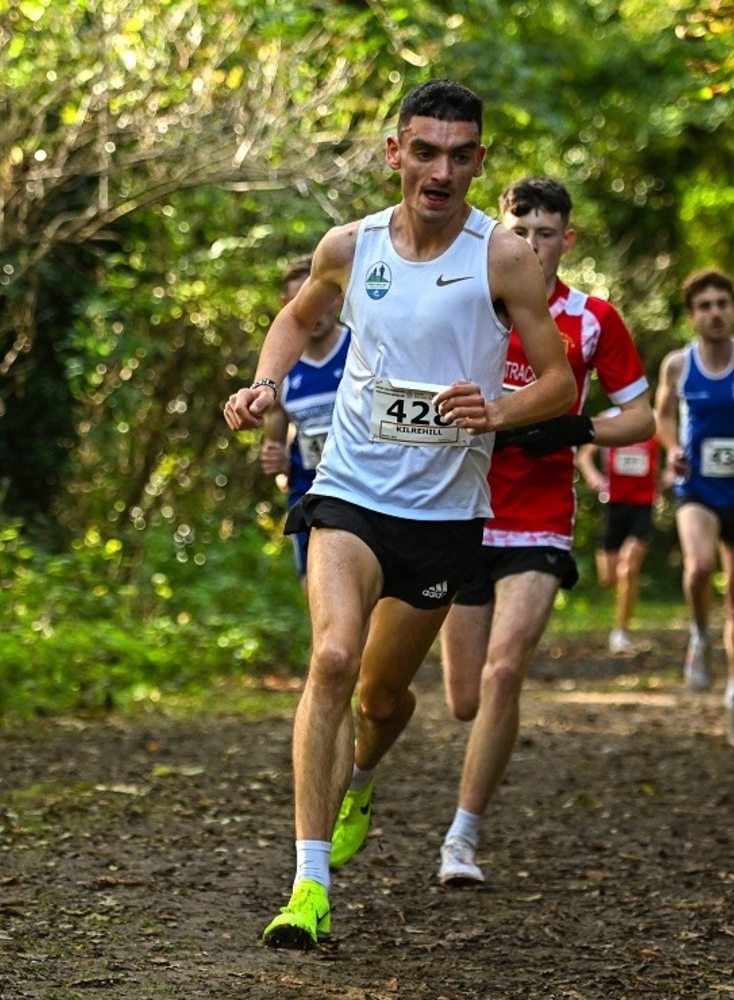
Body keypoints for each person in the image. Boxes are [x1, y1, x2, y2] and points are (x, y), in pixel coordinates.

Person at [223, 79, 576, 950]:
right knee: (334, 657)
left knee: (382, 701)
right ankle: (308, 885)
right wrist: (265, 384)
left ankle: (364, 777)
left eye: (460, 155)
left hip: (446, 516)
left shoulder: (505, 259)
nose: (441, 171)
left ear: (479, 162)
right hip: (349, 489)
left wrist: (498, 411)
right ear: (396, 153)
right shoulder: (350, 245)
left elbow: (560, 380)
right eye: (425, 151)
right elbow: (293, 316)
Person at [433, 177, 654, 886]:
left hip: (539, 519)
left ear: (568, 238)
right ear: (502, 231)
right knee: (463, 698)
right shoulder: (466, 301)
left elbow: (642, 417)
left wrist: (574, 426)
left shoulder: (591, 318)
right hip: (462, 510)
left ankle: (462, 838)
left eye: (546, 233)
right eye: (520, 231)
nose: (532, 245)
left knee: (504, 672)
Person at [654, 268, 734, 747]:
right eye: (704, 306)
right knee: (699, 567)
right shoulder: (678, 364)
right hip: (698, 488)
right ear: (692, 316)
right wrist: (670, 448)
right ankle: (698, 636)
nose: (714, 313)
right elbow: (662, 416)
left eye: (721, 304)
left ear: (733, 310)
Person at [260, 256, 350, 593]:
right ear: (286, 305)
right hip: (308, 496)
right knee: (317, 595)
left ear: (337, 297)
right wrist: (276, 460)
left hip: (363, 492)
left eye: (319, 299)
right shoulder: (281, 367)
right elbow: (275, 445)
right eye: (300, 302)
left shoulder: (361, 349)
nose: (312, 310)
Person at [576, 419, 661, 653]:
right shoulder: (610, 419)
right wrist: (594, 478)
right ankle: (620, 621)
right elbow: (583, 456)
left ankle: (620, 632)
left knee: (628, 569)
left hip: (643, 506)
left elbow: (676, 448)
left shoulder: (652, 420)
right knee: (609, 577)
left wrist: (668, 478)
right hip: (614, 505)